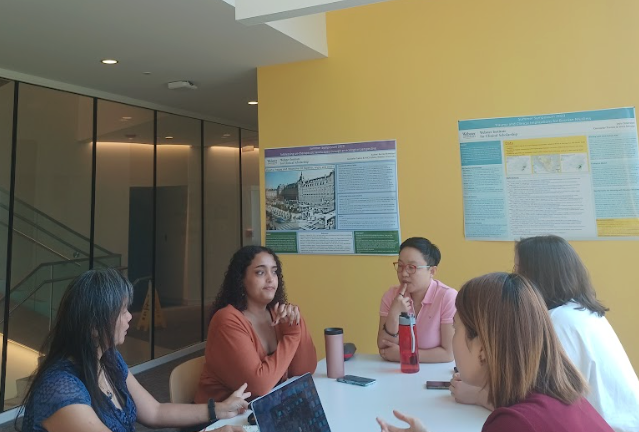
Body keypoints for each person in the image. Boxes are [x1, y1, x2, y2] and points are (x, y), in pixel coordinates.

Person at [18, 268, 249, 432]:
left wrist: (219, 409)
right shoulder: (61, 390)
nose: (130, 317)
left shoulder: (109, 360)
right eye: (122, 311)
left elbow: (155, 412)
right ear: (93, 326)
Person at [377, 272, 614, 432]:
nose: (452, 338)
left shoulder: (514, 423)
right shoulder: (564, 395)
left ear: (482, 347)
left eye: (456, 328)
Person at [451, 236, 639, 432]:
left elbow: (533, 396)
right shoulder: (581, 312)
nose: (514, 280)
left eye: (518, 271)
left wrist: (478, 395)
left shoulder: (558, 321)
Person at [195, 245, 317, 403]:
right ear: (241, 279)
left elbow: (304, 370)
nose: (270, 278)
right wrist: (292, 336)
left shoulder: (280, 314)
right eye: (260, 272)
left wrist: (296, 324)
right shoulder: (227, 320)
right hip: (221, 419)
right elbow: (258, 387)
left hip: (267, 407)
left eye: (274, 271)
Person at [377, 237, 456, 363]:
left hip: (434, 373)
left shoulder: (447, 297)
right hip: (396, 372)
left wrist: (404, 355)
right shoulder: (391, 295)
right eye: (400, 266)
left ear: (432, 271)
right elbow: (384, 349)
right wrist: (394, 313)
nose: (404, 273)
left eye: (411, 267)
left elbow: (448, 354)